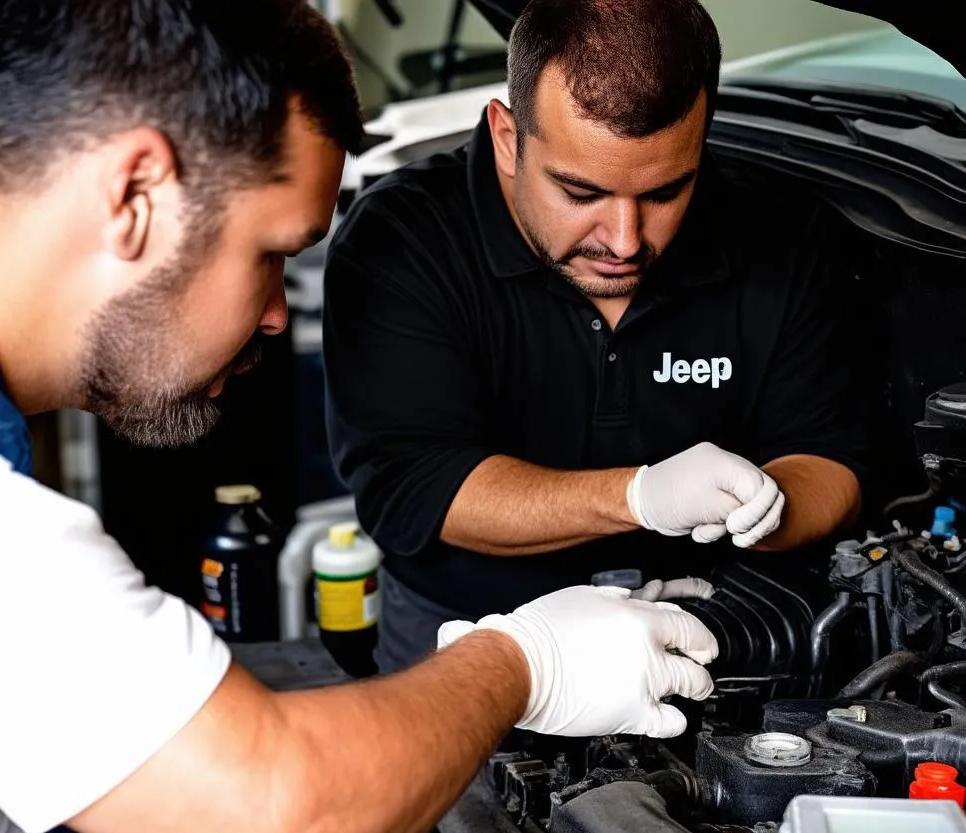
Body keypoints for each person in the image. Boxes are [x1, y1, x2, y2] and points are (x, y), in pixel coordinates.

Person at [0, 2, 721, 833]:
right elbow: (288, 827)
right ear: (135, 191)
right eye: (271, 249)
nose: (276, 309)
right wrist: (527, 663)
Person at [324, 0, 869, 675]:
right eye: (579, 192)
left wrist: (764, 510)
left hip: (712, 628)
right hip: (470, 638)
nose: (624, 240)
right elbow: (416, 486)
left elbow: (831, 464)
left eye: (666, 192)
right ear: (505, 136)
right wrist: (642, 497)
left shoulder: (785, 237)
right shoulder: (405, 241)